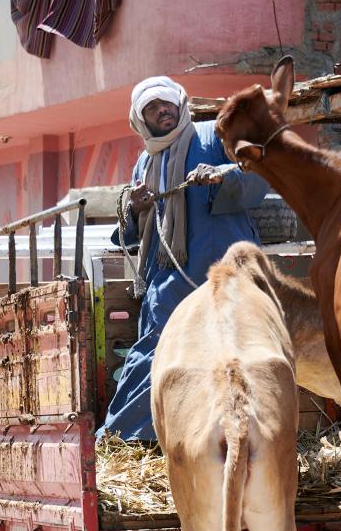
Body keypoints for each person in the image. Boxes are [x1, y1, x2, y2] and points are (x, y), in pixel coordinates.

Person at [97, 75, 271, 441]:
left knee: (244, 357)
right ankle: (126, 442)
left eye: (166, 104)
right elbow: (134, 232)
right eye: (152, 108)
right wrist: (136, 207)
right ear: (140, 119)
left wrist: (222, 175)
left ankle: (258, 438)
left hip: (228, 275)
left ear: (180, 103)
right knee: (155, 356)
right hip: (171, 280)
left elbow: (257, 175)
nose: (162, 111)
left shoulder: (213, 135)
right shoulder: (145, 162)